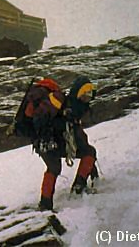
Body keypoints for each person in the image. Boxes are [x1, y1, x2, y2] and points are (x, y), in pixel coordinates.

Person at [35, 75, 98, 211]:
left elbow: (79, 135)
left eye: (89, 94)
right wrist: (61, 123)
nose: (87, 97)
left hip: (58, 141)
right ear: (77, 92)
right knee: (54, 167)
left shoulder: (78, 108)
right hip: (45, 140)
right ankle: (45, 204)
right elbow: (40, 120)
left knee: (88, 152)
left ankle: (78, 187)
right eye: (84, 94)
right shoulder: (59, 100)